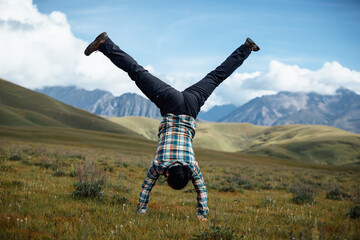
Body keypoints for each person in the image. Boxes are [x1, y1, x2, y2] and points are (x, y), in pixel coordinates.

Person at [84, 32, 259, 221]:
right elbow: (146, 187)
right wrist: (141, 210)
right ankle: (104, 44)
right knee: (137, 72)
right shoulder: (159, 164)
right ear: (167, 176)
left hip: (192, 104)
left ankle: (246, 48)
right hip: (169, 104)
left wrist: (203, 213)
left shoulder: (191, 166)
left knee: (216, 76)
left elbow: (202, 190)